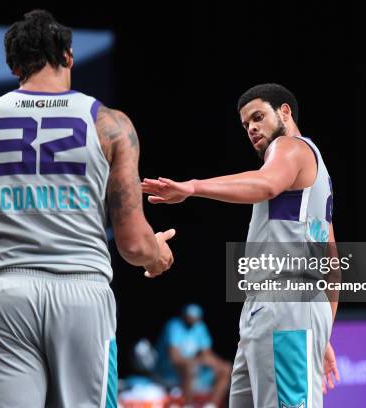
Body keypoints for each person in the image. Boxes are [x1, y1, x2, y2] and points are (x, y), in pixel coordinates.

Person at [0, 9, 175, 408]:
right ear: (68, 56)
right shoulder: (110, 125)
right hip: (82, 294)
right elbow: (132, 243)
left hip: (7, 295)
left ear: (13, 66)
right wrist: (156, 253)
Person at [142, 83, 340, 408]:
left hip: (285, 304)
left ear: (285, 112)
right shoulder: (314, 176)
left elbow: (266, 183)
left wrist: (192, 187)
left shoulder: (288, 147)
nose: (251, 128)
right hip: (278, 309)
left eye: (258, 117)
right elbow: (333, 263)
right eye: (246, 124)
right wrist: (322, 332)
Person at [155, 304, 231, 407]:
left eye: (195, 318)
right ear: (184, 316)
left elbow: (207, 354)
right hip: (170, 371)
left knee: (226, 368)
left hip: (195, 368)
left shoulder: (199, 326)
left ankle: (211, 405)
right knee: (190, 367)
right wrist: (199, 361)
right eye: (189, 317)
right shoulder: (174, 325)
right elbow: (175, 357)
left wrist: (215, 363)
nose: (192, 321)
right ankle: (188, 405)